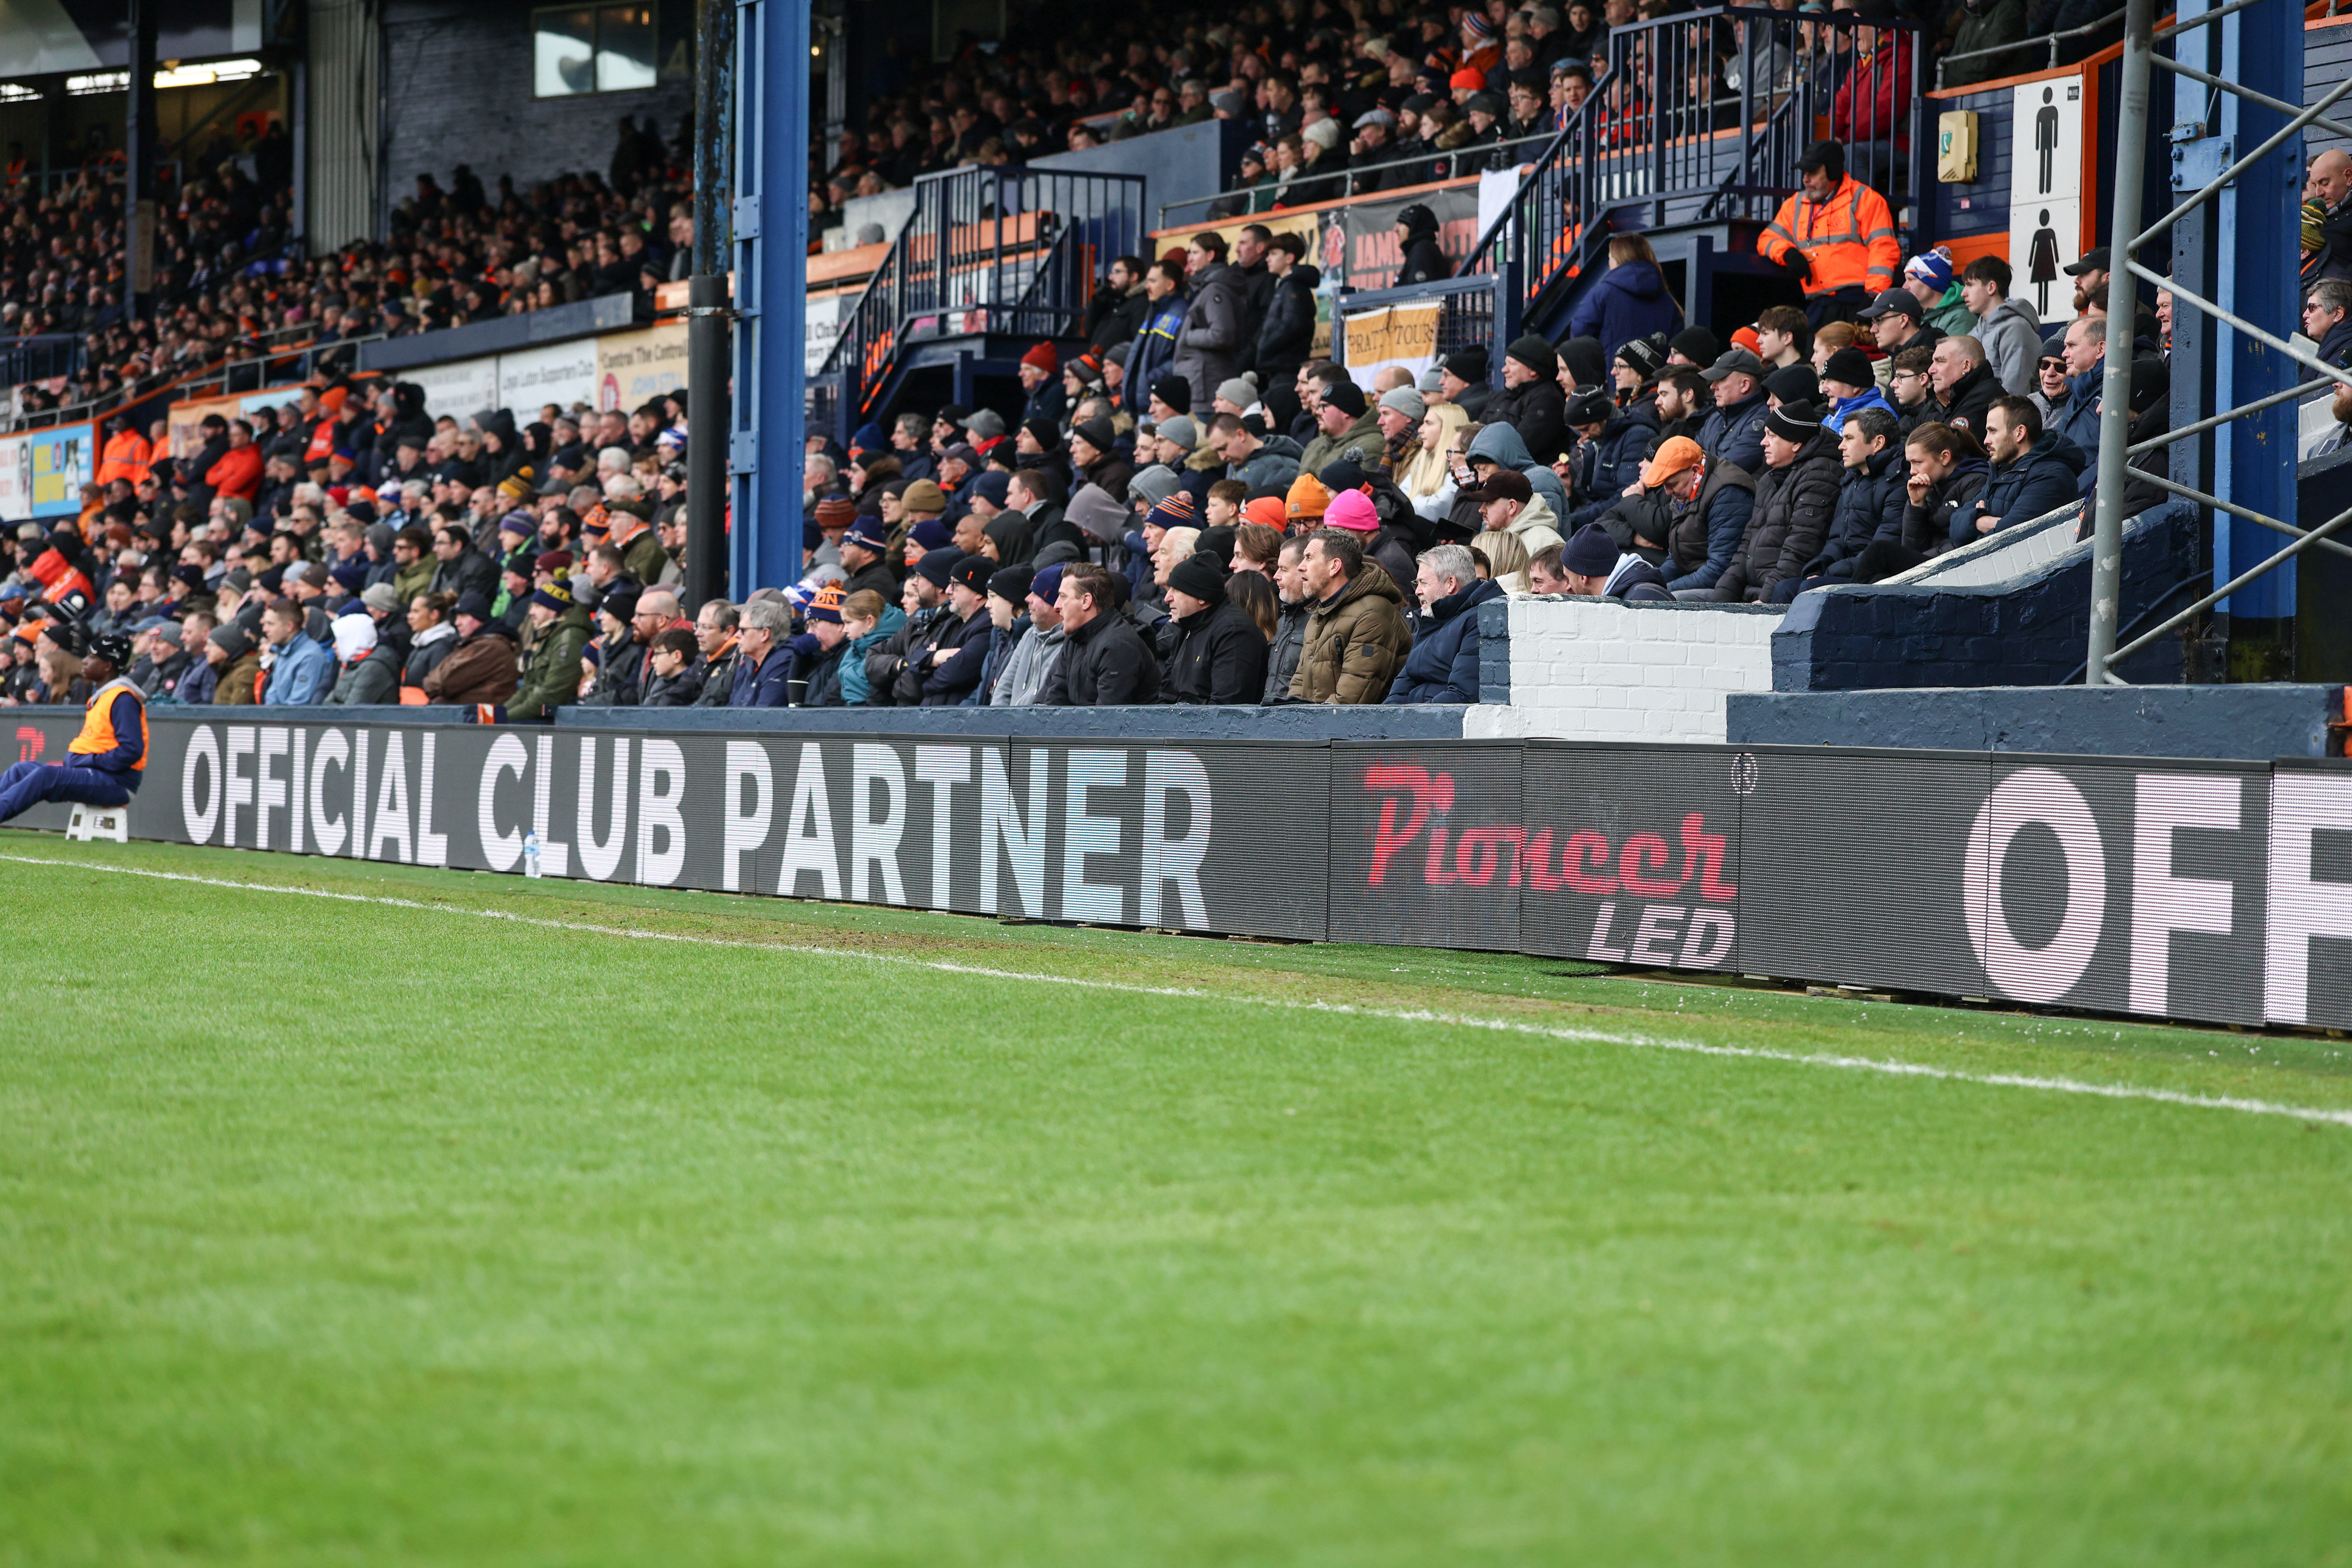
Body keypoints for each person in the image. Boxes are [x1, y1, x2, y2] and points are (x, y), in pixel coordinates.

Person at [0, 633, 147, 825]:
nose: (84, 662)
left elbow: (131, 750)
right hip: (95, 773)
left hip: (116, 782)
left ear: (107, 665)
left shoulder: (123, 699)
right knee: (21, 769)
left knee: (46, 776)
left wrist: (89, 761)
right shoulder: (104, 695)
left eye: (92, 658)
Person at [1757, 142, 1900, 328]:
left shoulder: (1865, 199)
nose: (1806, 180)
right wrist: (1788, 254)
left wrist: (1874, 296)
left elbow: (1883, 250)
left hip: (1859, 301)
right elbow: (1766, 240)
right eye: (1804, 173)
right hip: (1820, 304)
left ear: (1833, 171)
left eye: (1813, 173)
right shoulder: (1795, 204)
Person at [1773, 407, 1906, 599]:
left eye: (1850, 439)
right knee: (1785, 589)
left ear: (1878, 443)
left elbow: (1884, 546)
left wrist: (1833, 571)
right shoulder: (1851, 480)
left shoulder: (1897, 483)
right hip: (1846, 570)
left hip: (1876, 577)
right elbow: (1837, 538)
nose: (1841, 446)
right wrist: (1822, 565)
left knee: (1811, 591)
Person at [1718, 403, 1842, 603]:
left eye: (1772, 436)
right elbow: (1746, 546)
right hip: (1751, 592)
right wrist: (1719, 601)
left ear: (1796, 443)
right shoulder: (1770, 479)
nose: (1763, 443)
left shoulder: (1820, 475)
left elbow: (1800, 547)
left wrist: (1765, 602)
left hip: (1779, 598)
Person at [1290, 529, 1409, 704]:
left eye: (1309, 558)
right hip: (1315, 725)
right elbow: (1299, 682)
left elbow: (1351, 699)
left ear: (1334, 567)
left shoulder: (1372, 614)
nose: (1301, 566)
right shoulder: (1320, 611)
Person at [1385, 543, 1505, 703]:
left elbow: (1461, 696)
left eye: (1424, 583)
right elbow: (1402, 685)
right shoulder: (1434, 616)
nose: (1417, 591)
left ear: (1451, 584)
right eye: (1417, 583)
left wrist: (1406, 721)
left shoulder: (1481, 620)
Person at [1962, 396, 2080, 539]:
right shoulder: (2001, 471)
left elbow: (2007, 541)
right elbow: (1956, 524)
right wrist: (1982, 522)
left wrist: (1978, 525)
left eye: (1993, 431)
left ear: (2020, 433)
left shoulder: (2051, 477)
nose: (1986, 441)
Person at [1159, 553, 1269, 703]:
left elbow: (1226, 708)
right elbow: (1167, 695)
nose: (1167, 598)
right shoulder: (1185, 626)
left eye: (1176, 590)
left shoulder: (1234, 633)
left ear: (1201, 597)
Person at [1042, 565, 1160, 705]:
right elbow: (1056, 698)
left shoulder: (1119, 645)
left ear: (1086, 601)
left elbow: (1106, 720)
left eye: (1063, 597)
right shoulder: (1074, 637)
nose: (1057, 606)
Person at [1564, 235, 1683, 362]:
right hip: (1657, 379)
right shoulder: (1669, 301)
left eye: (1610, 257)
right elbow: (1676, 347)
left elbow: (1580, 338)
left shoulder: (1602, 294)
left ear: (1616, 259)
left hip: (1614, 376)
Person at [1173, 232, 1249, 412]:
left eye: (1194, 253)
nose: (1189, 259)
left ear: (1211, 255)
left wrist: (1189, 336)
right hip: (1202, 385)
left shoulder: (1215, 289)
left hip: (1206, 388)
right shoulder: (1207, 287)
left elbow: (1222, 334)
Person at [505, 578, 593, 720]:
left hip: (555, 723)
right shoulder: (552, 634)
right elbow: (528, 689)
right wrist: (498, 715)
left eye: (538, 606)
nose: (532, 612)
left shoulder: (570, 639)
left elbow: (551, 695)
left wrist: (505, 719)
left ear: (554, 611)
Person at [1963, 255, 2044, 396]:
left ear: (1991, 287)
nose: (1963, 293)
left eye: (1970, 285)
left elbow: (2015, 392)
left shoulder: (2017, 329)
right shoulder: (1975, 333)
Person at [423, 592, 519, 706]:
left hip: (479, 717)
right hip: (464, 714)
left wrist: (433, 683)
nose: (457, 623)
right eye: (457, 617)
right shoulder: (472, 644)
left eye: (463, 616)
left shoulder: (490, 647)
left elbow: (447, 683)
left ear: (479, 617)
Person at [1487, 335, 1569, 463]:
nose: (1504, 370)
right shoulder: (1502, 396)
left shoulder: (1547, 400)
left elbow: (1520, 447)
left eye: (1512, 364)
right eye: (1505, 363)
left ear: (1533, 370)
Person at [1697, 347, 1771, 475]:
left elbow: (1727, 470)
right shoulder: (1715, 418)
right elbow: (1690, 459)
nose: (1713, 386)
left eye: (1720, 379)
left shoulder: (1764, 420)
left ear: (1745, 385)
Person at [1557, 522, 1673, 601]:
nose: (1569, 585)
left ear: (1584, 578)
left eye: (1568, 578)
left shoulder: (1643, 598)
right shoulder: (1623, 597)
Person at [259, 597, 335, 704]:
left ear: (290, 627)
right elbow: (272, 696)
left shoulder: (310, 657)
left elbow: (298, 707)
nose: (265, 629)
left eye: (271, 624)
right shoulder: (282, 652)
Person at [1928, 334, 2004, 439]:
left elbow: (1951, 447)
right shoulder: (1960, 397)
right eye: (1933, 362)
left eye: (1941, 361)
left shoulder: (1983, 399)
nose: (1931, 370)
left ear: (1966, 366)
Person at [725, 598, 794, 707]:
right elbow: (732, 707)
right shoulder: (747, 662)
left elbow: (764, 716)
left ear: (765, 634)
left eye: (744, 631)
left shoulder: (783, 663)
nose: (737, 635)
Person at [640, 627, 705, 706]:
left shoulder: (690, 689)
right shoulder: (662, 682)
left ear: (677, 656)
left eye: (657, 654)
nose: (653, 660)